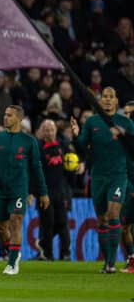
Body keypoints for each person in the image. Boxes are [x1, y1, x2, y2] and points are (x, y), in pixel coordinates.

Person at [71, 88, 134, 273]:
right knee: (102, 220)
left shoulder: (126, 123)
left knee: (114, 214)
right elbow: (82, 147)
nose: (107, 100)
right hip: (97, 177)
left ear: (116, 101)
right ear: (100, 101)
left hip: (118, 176)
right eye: (104, 97)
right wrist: (76, 134)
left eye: (111, 97)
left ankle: (112, 263)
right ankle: (106, 262)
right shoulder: (92, 122)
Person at [0, 106, 49, 275]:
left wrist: (42, 192)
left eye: (9, 115)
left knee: (15, 222)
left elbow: (36, 168)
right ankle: (14, 252)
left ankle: (12, 262)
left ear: (19, 119)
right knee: (0, 228)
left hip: (19, 190)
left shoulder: (29, 142)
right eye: (5, 114)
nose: (5, 118)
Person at [35, 119, 72, 261]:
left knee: (62, 223)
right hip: (45, 192)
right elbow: (34, 172)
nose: (49, 132)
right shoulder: (37, 148)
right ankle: (48, 254)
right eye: (46, 130)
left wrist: (78, 166)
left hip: (61, 191)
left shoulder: (64, 146)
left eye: (51, 129)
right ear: (41, 132)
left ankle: (64, 253)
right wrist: (34, 192)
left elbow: (73, 163)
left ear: (56, 131)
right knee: (47, 224)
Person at [120, 100, 134, 273]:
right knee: (125, 227)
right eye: (127, 114)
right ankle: (132, 260)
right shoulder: (122, 140)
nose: (129, 117)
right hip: (128, 188)